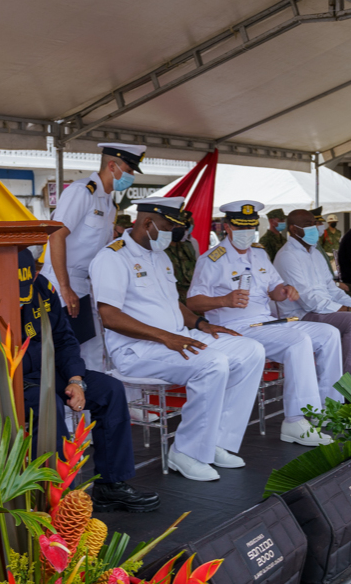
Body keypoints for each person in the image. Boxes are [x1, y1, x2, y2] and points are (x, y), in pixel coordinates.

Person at [89, 197, 264, 482]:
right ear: (147, 223)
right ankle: (186, 452)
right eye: (167, 226)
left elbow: (173, 305)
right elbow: (109, 316)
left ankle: (217, 441)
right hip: (138, 350)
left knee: (251, 350)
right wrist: (165, 337)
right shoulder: (113, 257)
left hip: (178, 338)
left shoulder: (159, 255)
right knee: (213, 363)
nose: (172, 234)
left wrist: (202, 324)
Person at [187, 200, 340, 447]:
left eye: (251, 227)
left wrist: (284, 290)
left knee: (329, 334)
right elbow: (192, 302)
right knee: (298, 341)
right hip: (235, 327)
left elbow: (274, 288)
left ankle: (328, 409)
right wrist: (223, 299)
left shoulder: (259, 253)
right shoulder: (212, 259)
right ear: (227, 227)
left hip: (267, 322)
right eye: (240, 227)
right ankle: (295, 419)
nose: (247, 233)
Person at [17, 249, 158, 512]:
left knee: (111, 391)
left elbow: (64, 339)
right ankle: (60, 501)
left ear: (35, 272)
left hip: (53, 372)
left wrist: (75, 379)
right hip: (17, 381)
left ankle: (111, 485)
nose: (21, 301)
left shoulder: (43, 289)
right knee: (49, 406)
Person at [41, 142, 145, 372]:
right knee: (66, 350)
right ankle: (68, 407)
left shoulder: (108, 201)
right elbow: (56, 235)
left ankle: (87, 406)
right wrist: (65, 287)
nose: (130, 177)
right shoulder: (82, 191)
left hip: (86, 284)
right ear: (112, 166)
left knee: (91, 351)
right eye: (128, 171)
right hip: (62, 282)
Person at [274, 209, 351, 387]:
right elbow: (308, 300)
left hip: (326, 309)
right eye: (308, 225)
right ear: (293, 229)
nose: (314, 228)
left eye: (314, 224)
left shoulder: (314, 253)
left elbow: (331, 288)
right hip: (302, 314)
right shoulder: (287, 256)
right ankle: (349, 387)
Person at [165, 209, 197, 305]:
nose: (179, 228)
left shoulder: (187, 247)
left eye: (182, 225)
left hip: (191, 302)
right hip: (172, 302)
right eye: (176, 225)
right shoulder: (160, 250)